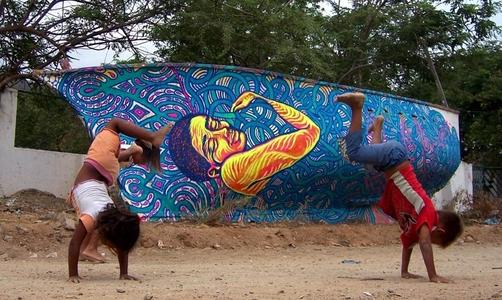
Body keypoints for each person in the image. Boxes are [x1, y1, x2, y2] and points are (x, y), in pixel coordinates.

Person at [336, 92, 463, 283]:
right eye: (435, 240)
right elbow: (424, 243)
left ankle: (377, 125)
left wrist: (405, 271)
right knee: (353, 152)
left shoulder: (414, 221)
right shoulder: (426, 212)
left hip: (390, 162)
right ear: (440, 230)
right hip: (395, 157)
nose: (427, 238)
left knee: (371, 164)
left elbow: (408, 244)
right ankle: (357, 106)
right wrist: (433, 275)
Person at [67, 118, 171, 282]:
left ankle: (150, 140)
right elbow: (74, 244)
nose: (142, 164)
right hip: (90, 180)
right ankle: (152, 137)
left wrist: (124, 273)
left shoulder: (111, 216)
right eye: (143, 160)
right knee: (115, 123)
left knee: (115, 130)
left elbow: (122, 243)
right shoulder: (92, 216)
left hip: (98, 175)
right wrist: (73, 275)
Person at [168, 91, 321, 195]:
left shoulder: (239, 173)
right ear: (213, 171)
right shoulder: (230, 171)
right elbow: (311, 132)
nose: (223, 131)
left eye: (215, 124)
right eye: (213, 145)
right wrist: (260, 98)